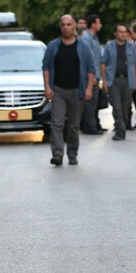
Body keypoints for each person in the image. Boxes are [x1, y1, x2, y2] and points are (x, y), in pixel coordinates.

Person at [42, 14, 95, 166]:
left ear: (75, 27)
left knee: (73, 126)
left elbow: (91, 69)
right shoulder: (53, 46)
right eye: (63, 25)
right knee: (56, 124)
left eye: (69, 25)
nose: (66, 28)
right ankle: (57, 155)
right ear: (60, 27)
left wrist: (89, 88)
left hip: (77, 90)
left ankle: (72, 154)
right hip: (58, 89)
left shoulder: (83, 47)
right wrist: (47, 87)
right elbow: (46, 67)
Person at [101, 23, 136, 141]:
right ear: (115, 33)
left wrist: (135, 81)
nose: (123, 34)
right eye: (120, 32)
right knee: (116, 107)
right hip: (114, 80)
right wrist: (105, 81)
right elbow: (103, 63)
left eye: (125, 32)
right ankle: (120, 131)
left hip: (127, 80)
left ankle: (121, 127)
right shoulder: (109, 46)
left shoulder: (131, 46)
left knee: (125, 108)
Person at [80, 14, 104, 135]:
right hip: (90, 76)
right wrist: (92, 76)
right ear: (93, 24)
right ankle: (89, 127)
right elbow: (86, 59)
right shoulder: (86, 38)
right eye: (99, 23)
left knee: (94, 102)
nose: (101, 25)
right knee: (90, 102)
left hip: (96, 74)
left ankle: (92, 125)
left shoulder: (95, 37)